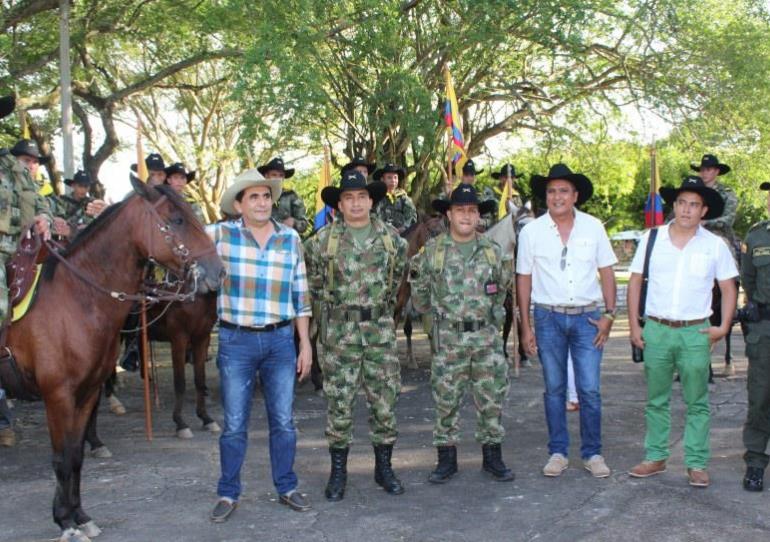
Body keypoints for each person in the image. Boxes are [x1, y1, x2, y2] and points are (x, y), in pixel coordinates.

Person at [207, 168, 313, 521]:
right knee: (235, 423)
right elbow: (178, 236)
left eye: (266, 196)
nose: (262, 202)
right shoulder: (219, 235)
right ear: (239, 205)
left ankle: (286, 486)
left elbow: (301, 294)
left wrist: (305, 344)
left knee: (283, 421)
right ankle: (228, 492)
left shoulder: (290, 239)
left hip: (281, 341)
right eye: (253, 196)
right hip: (236, 341)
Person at [627, 175, 737, 488]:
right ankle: (656, 456)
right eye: (682, 203)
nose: (687, 210)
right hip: (657, 329)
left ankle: (697, 462)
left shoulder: (715, 245)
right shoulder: (651, 239)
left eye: (694, 205)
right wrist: (635, 325)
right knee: (656, 399)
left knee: (697, 401)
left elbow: (728, 287)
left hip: (695, 333)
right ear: (674, 205)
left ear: (704, 211)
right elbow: (635, 281)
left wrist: (723, 326)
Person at [304, 170, 407, 501]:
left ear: (372, 200)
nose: (356, 203)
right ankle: (338, 473)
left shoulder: (394, 241)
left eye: (362, 196)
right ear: (340, 204)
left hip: (379, 332)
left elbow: (394, 286)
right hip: (339, 336)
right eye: (349, 198)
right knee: (339, 403)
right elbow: (315, 288)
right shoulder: (320, 244)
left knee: (385, 402)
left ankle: (384, 468)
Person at [517, 163, 617, 478]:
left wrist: (610, 315)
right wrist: (525, 325)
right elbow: (523, 278)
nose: (557, 196)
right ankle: (558, 452)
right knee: (554, 389)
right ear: (545, 197)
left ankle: (592, 453)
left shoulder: (593, 227)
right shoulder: (531, 231)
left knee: (589, 389)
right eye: (551, 191)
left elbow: (607, 271)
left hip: (588, 318)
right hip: (547, 317)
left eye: (563, 190)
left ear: (575, 195)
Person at [410, 184, 514, 483]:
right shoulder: (432, 252)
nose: (466, 216)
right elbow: (420, 297)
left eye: (472, 211)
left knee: (491, 399)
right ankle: (446, 460)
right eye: (460, 210)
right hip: (450, 340)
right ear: (448, 214)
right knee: (446, 401)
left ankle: (492, 458)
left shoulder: (493, 252)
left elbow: (500, 293)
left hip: (486, 339)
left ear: (479, 215)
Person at [0, 96, 52, 447]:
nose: (31, 164)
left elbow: (40, 196)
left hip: (20, 249)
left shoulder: (12, 165)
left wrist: (45, 214)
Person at [691, 154, 740, 378]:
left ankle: (727, 354)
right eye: (703, 169)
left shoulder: (727, 194)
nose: (706, 173)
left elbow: (727, 220)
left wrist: (703, 222)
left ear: (717, 171)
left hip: (719, 242)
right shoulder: (692, 193)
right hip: (693, 243)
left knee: (727, 286)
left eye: (710, 169)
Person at [738, 180, 770, 492]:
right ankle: (756, 463)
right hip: (765, 329)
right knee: (759, 397)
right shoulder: (757, 235)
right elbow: (748, 279)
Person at [257, 157, 309, 234]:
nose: (278, 178)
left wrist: (294, 222)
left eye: (281, 175)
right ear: (266, 176)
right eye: (274, 175)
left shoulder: (291, 195)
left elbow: (304, 225)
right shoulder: (257, 195)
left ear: (284, 178)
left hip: (287, 242)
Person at [373, 163, 417, 235]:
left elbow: (412, 216)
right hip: (381, 235)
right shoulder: (376, 197)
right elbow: (372, 217)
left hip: (402, 234)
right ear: (382, 179)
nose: (393, 180)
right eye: (389, 177)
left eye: (395, 177)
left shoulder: (403, 197)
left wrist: (404, 227)